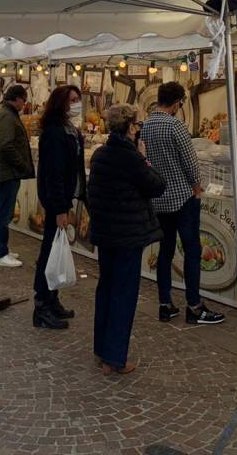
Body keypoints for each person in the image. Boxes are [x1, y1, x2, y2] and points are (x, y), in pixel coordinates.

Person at [88, 104, 166, 376]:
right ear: (131, 127)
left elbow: (94, 195)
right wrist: (144, 158)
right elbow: (157, 185)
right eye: (138, 125)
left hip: (106, 233)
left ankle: (101, 350)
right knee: (123, 294)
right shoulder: (130, 157)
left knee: (106, 289)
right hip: (128, 235)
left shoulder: (99, 155)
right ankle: (114, 357)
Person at [141, 81, 225, 325]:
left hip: (159, 198)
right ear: (178, 102)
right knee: (192, 251)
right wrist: (197, 187)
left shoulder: (146, 125)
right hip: (182, 197)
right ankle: (195, 306)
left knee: (165, 252)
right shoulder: (176, 125)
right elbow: (190, 162)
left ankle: (165, 304)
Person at [33, 84, 86, 330]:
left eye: (78, 98)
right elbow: (54, 173)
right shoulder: (55, 132)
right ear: (60, 103)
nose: (76, 103)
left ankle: (53, 300)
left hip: (65, 198)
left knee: (54, 251)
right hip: (57, 201)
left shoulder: (68, 129)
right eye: (72, 99)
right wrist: (60, 208)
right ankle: (41, 307)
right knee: (49, 254)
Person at [0, 84, 34, 268]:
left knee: (1, 211)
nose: (24, 104)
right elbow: (6, 145)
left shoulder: (8, 114)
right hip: (8, 171)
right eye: (23, 100)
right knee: (4, 213)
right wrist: (21, 163)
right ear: (16, 98)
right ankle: (0, 252)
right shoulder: (7, 116)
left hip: (7, 170)